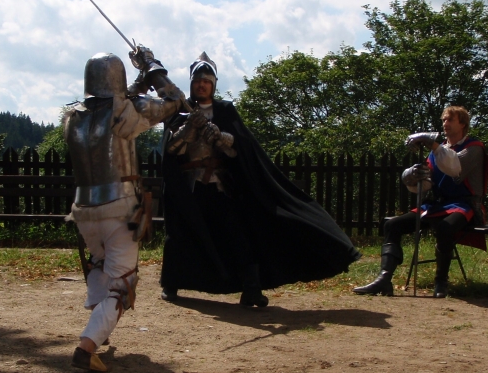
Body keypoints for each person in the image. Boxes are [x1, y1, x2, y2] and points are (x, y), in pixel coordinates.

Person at [159, 52, 361, 307]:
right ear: (191, 83)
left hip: (221, 185)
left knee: (239, 235)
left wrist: (221, 136)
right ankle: (171, 283)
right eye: (198, 80)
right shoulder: (180, 109)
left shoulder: (225, 110)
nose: (202, 85)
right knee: (181, 233)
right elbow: (172, 149)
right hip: (190, 186)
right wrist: (188, 128)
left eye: (207, 81)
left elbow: (241, 149)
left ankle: (251, 289)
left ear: (214, 84)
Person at [64, 49, 186, 372]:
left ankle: (98, 328)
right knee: (123, 285)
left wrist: (139, 83)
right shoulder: (124, 112)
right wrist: (153, 67)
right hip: (118, 211)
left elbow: (119, 100)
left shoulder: (73, 116)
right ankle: (86, 347)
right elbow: (174, 100)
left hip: (84, 210)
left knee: (101, 265)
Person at [352, 105, 487, 298]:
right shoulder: (437, 151)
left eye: (450, 119)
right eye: (444, 120)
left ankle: (441, 282)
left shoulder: (473, 148)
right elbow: (426, 184)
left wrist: (433, 145)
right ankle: (384, 279)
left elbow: (454, 166)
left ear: (463, 124)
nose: (445, 123)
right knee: (392, 225)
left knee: (445, 228)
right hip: (437, 205)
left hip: (464, 206)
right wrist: (413, 176)